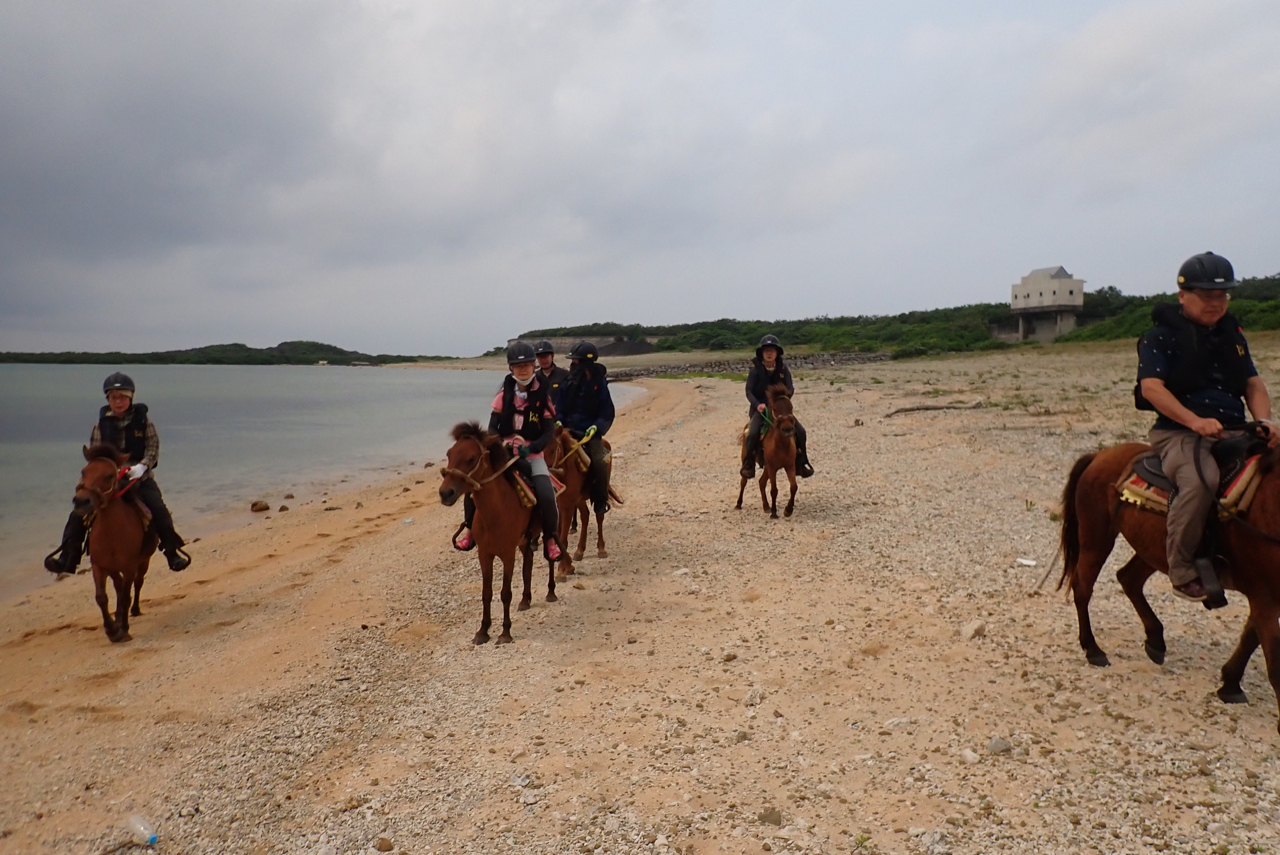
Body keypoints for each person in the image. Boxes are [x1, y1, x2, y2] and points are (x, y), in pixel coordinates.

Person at [1136, 251, 1279, 602]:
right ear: (1183, 295)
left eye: (1222, 296)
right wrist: (1194, 421)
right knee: (1201, 482)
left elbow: (1252, 384)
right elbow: (1151, 388)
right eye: (1207, 296)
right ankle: (1182, 568)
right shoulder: (1159, 337)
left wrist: (1265, 420)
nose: (1216, 303)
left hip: (1234, 428)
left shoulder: (1232, 335)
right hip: (1178, 432)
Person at [44, 372, 192, 575]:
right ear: (108, 400)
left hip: (139, 478)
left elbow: (152, 448)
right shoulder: (100, 426)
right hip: (108, 479)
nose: (118, 401)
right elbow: (95, 456)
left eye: (122, 397)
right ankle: (68, 558)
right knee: (78, 512)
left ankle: (172, 552)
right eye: (113, 397)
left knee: (158, 509)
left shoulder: (144, 422)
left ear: (130, 398)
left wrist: (141, 467)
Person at [453, 342, 562, 560]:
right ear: (511, 369)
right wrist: (501, 443)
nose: (523, 369)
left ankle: (550, 537)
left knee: (546, 494)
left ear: (533, 366)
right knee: (474, 486)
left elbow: (548, 433)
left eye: (527, 365)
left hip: (532, 454)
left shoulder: (543, 398)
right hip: (504, 453)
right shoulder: (503, 397)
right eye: (517, 366)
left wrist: (531, 448)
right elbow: (493, 427)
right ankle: (470, 529)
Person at [740, 334, 813, 479]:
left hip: (780, 409)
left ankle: (802, 462)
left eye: (772, 350)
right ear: (761, 353)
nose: (769, 353)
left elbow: (790, 387)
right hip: (760, 409)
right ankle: (749, 464)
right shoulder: (755, 370)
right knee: (752, 433)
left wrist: (784, 399)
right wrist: (757, 405)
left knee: (801, 431)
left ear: (777, 353)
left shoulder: (783, 370)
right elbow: (748, 391)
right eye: (766, 350)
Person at [556, 341, 615, 516]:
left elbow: (606, 411)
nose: (572, 364)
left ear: (585, 363)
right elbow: (559, 408)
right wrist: (558, 421)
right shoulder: (568, 383)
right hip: (567, 431)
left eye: (575, 361)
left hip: (589, 433)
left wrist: (596, 427)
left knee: (599, 462)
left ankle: (600, 499)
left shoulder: (600, 385)